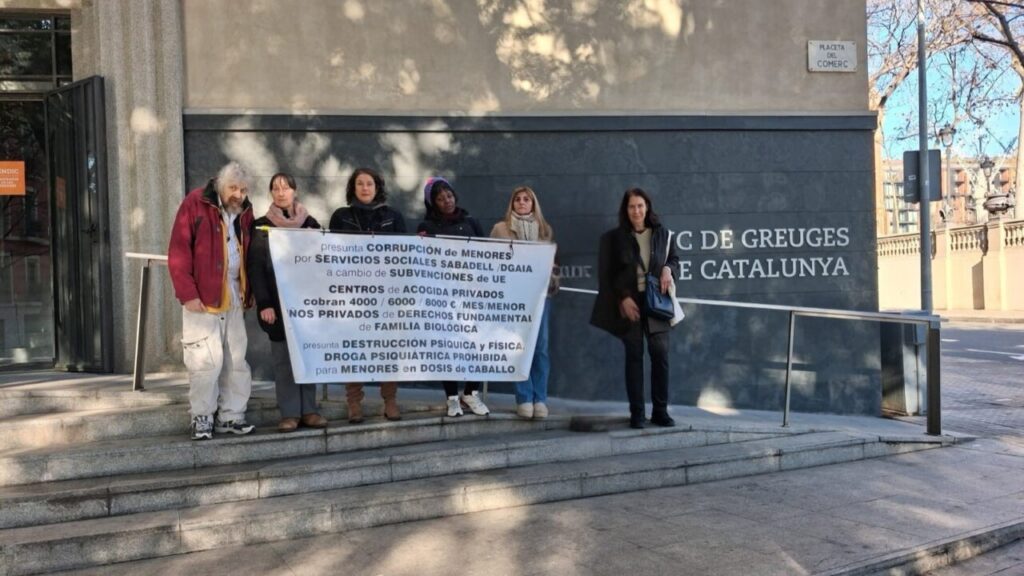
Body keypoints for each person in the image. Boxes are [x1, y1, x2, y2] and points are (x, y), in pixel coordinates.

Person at [168, 161, 257, 440]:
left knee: (236, 360)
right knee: (205, 362)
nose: (238, 195)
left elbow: (251, 251)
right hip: (202, 296)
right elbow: (178, 252)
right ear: (220, 184)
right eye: (233, 188)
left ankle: (231, 416)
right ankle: (202, 418)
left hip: (234, 293)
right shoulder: (196, 202)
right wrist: (188, 294)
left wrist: (250, 291)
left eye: (243, 190)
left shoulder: (245, 211)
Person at [590, 187, 680, 429]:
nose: (636, 211)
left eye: (640, 205)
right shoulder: (613, 238)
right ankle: (637, 414)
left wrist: (668, 269)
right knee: (634, 357)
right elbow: (606, 275)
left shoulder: (663, 234)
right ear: (626, 210)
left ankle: (660, 412)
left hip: (657, 300)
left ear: (647, 207)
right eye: (632, 206)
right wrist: (622, 298)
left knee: (660, 356)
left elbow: (674, 259)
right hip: (630, 303)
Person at [248, 172, 328, 433]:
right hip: (277, 305)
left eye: (286, 188)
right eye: (276, 188)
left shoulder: (310, 224)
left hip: (307, 306)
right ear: (271, 193)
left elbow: (322, 264)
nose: (281, 193)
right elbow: (256, 268)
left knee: (308, 357)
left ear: (295, 191)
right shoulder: (262, 226)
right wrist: (264, 303)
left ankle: (309, 411)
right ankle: (290, 413)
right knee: (284, 362)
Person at [329, 168, 406, 423]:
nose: (365, 188)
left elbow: (404, 255)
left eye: (369, 183)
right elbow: (331, 253)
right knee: (354, 347)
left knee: (387, 348)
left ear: (377, 187)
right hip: (353, 294)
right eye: (360, 184)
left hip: (386, 295)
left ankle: (390, 400)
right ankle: (354, 403)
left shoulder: (393, 216)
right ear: (353, 188)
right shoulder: (341, 216)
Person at [417, 176, 490, 417]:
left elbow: (486, 254)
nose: (447, 201)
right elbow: (423, 260)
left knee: (476, 343)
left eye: (449, 196)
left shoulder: (471, 221)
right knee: (447, 346)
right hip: (444, 296)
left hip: (472, 294)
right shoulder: (427, 227)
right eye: (440, 199)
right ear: (433, 203)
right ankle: (452, 398)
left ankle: (470, 392)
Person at [490, 186, 558, 419]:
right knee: (518, 346)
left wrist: (551, 272)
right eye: (517, 199)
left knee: (541, 348)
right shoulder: (500, 229)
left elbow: (553, 263)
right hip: (514, 297)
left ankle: (540, 399)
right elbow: (490, 261)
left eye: (526, 199)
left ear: (533, 203)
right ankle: (524, 397)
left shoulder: (545, 230)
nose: (521, 202)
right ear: (512, 203)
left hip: (540, 296)